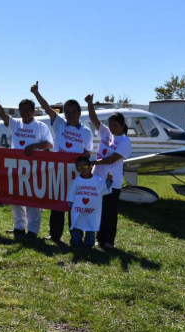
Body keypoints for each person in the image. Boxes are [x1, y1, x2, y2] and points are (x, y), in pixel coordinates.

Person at [30, 81, 93, 242]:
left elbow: (87, 153)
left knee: (75, 205)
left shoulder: (86, 132)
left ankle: (75, 236)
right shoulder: (59, 124)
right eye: (67, 112)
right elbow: (46, 108)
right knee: (57, 205)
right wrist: (36, 93)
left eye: (73, 111)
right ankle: (55, 234)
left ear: (79, 113)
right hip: (58, 171)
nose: (70, 114)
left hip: (75, 174)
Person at [0, 90, 53, 239]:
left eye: (27, 110)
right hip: (15, 168)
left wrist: (34, 147)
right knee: (16, 199)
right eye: (21, 110)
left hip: (33, 169)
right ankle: (18, 227)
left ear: (33, 111)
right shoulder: (16, 124)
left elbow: (49, 144)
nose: (24, 113)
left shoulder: (41, 127)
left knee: (32, 200)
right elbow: (3, 115)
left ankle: (33, 231)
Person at [85, 95, 132, 250]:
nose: (112, 128)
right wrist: (90, 103)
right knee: (98, 209)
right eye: (110, 125)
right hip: (97, 177)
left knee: (110, 213)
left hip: (112, 182)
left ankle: (109, 241)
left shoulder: (125, 141)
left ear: (122, 125)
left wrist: (91, 162)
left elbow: (111, 159)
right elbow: (93, 119)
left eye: (115, 125)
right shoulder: (106, 133)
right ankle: (99, 237)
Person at [67, 156, 113, 248]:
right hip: (78, 210)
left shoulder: (97, 180)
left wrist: (109, 181)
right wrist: (70, 203)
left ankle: (89, 243)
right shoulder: (77, 181)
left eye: (85, 166)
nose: (83, 169)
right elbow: (71, 193)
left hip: (92, 211)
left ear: (90, 166)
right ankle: (76, 241)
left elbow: (104, 189)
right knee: (77, 225)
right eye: (79, 167)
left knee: (91, 226)